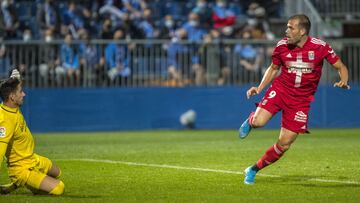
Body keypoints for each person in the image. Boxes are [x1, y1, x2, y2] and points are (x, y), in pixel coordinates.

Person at [238, 14, 350, 185]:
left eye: (291, 27)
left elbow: (340, 66)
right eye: (287, 27)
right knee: (259, 122)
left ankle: (253, 169)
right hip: (281, 90)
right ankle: (251, 120)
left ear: (303, 31)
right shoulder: (282, 45)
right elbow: (274, 68)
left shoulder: (321, 47)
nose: (286, 31)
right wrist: (259, 88)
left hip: (301, 101)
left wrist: (344, 80)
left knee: (284, 144)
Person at [0, 69, 64, 195]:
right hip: (21, 168)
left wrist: (16, 76)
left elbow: (13, 84)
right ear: (12, 97)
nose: (24, 94)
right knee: (59, 188)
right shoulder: (5, 121)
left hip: (32, 159)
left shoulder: (11, 106)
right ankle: (22, 181)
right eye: (20, 92)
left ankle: (19, 184)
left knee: (57, 172)